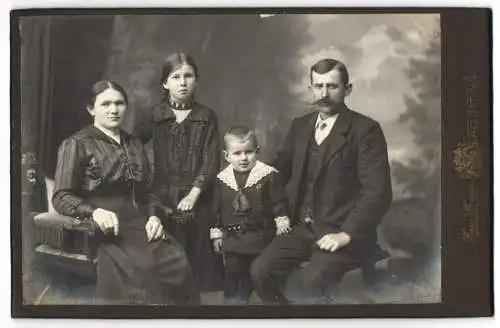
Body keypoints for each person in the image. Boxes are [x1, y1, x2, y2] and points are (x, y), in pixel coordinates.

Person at [250, 58, 393, 304]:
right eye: (318, 86)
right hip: (302, 229)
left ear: (347, 89)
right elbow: (279, 170)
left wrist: (346, 234)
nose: (324, 94)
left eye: (332, 86)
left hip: (342, 231)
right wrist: (244, 180)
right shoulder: (300, 126)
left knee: (310, 283)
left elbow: (378, 193)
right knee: (260, 273)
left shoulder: (365, 130)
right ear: (311, 89)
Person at [52, 80, 198, 305]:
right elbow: (61, 196)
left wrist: (154, 216)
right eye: (106, 104)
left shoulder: (134, 143)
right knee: (142, 275)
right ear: (91, 109)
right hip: (99, 229)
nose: (113, 110)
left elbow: (149, 190)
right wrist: (94, 212)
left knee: (179, 264)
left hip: (138, 223)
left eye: (119, 103)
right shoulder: (76, 144)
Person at [134, 53, 223, 293]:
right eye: (176, 77)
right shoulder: (155, 115)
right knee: (165, 268)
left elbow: (211, 160)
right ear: (165, 83)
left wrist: (194, 195)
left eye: (188, 76)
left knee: (202, 268)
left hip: (200, 197)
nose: (182, 82)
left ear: (196, 80)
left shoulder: (206, 116)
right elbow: (131, 147)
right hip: (163, 197)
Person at [209, 126, 291, 304]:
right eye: (237, 153)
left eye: (249, 152)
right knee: (233, 274)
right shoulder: (222, 180)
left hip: (260, 237)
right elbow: (216, 208)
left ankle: (272, 307)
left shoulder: (268, 175)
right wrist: (216, 233)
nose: (244, 158)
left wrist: (281, 219)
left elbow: (278, 201)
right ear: (227, 156)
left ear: (257, 151)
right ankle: (233, 308)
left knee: (260, 274)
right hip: (232, 238)